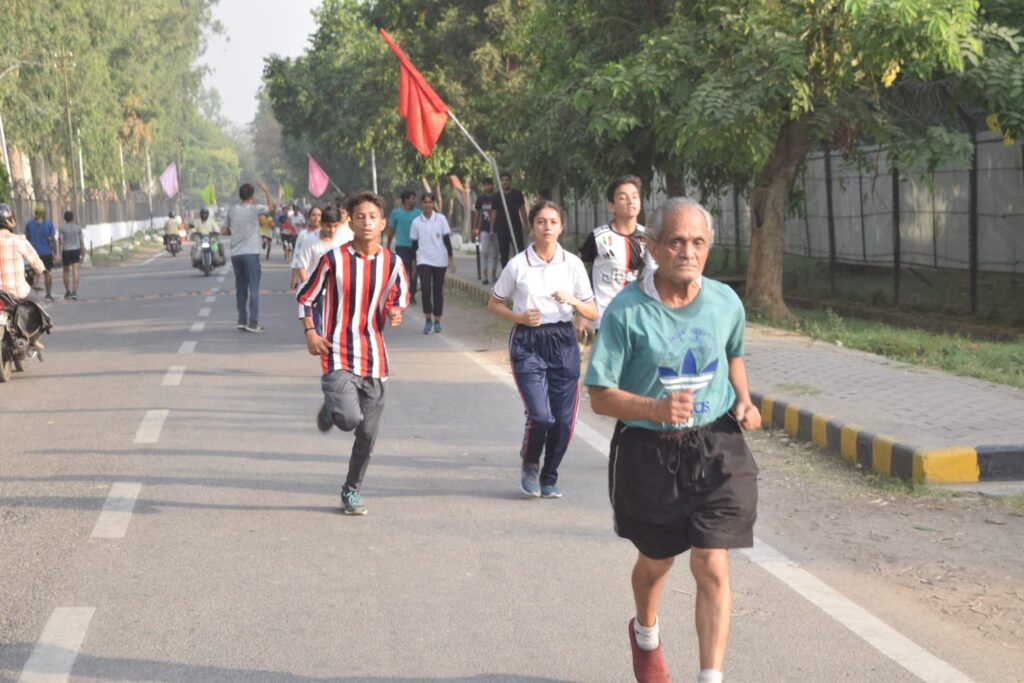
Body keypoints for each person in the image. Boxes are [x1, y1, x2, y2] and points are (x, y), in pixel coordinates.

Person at [583, 197, 761, 683]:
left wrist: (744, 400)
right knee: (655, 563)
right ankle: (645, 631)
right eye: (677, 242)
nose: (688, 252)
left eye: (698, 242)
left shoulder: (725, 301)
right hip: (648, 451)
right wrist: (655, 409)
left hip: (716, 444)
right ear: (653, 246)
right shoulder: (627, 312)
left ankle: (710, 676)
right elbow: (599, 396)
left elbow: (734, 354)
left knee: (712, 563)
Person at [296, 191, 410, 516]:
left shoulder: (392, 262)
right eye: (360, 217)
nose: (366, 223)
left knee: (368, 433)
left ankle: (351, 490)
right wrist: (310, 332)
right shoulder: (333, 260)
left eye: (373, 217)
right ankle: (335, 409)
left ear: (383, 223)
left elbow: (399, 295)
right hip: (338, 353)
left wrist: (395, 311)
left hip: (375, 358)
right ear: (351, 222)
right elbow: (305, 297)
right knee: (348, 419)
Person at [487, 200, 597, 498]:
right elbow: (494, 303)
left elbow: (591, 310)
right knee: (541, 416)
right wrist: (520, 317)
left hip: (562, 340)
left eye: (553, 222)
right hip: (528, 340)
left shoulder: (572, 264)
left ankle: (550, 474)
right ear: (532, 227)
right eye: (541, 221)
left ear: (561, 227)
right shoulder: (518, 264)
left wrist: (573, 303)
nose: (547, 227)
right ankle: (530, 462)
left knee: (562, 420)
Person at [575, 175, 652, 343]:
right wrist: (582, 311)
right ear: (611, 206)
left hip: (636, 316)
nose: (630, 201)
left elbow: (654, 273)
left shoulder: (647, 237)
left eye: (635, 196)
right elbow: (578, 271)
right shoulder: (598, 237)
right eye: (623, 197)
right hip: (604, 317)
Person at [222, 181, 274, 332]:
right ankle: (253, 322)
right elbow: (271, 208)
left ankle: (241, 319)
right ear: (252, 196)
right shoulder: (255, 208)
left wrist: (236, 232)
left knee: (241, 288)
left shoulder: (232, 210)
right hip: (251, 253)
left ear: (240, 196)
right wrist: (266, 191)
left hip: (236, 255)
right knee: (254, 288)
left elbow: (224, 230)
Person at [410, 193, 455, 334]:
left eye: (430, 202)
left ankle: (437, 320)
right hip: (423, 259)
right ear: (422, 204)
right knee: (425, 289)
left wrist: (450, 258)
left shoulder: (441, 219)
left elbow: (447, 240)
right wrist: (413, 264)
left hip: (440, 259)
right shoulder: (416, 222)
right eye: (425, 202)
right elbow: (414, 245)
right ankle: (428, 319)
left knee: (437, 290)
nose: (427, 205)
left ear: (433, 204)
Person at [0, 203, 45, 301]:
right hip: (19, 293)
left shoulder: (29, 226)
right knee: (35, 301)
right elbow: (38, 266)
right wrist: (38, 271)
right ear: (11, 220)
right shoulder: (19, 240)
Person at [385, 191, 421, 305]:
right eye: (413, 198)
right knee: (403, 269)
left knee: (414, 270)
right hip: (401, 246)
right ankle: (401, 292)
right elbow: (391, 229)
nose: (415, 201)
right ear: (406, 200)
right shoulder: (396, 213)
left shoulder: (418, 213)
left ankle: (412, 294)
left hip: (415, 246)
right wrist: (388, 245)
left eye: (415, 198)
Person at [492, 172, 528, 267]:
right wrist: (491, 229)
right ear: (500, 182)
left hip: (516, 227)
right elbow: (494, 213)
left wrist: (526, 225)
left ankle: (521, 270)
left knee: (520, 250)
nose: (505, 182)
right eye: (503, 180)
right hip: (502, 228)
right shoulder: (497, 196)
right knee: (504, 253)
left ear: (510, 182)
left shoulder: (517, 194)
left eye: (507, 180)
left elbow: (522, 210)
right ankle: (506, 272)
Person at [24, 203, 56, 302]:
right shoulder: (49, 224)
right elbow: (53, 240)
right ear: (44, 213)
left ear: (35, 213)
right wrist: (55, 252)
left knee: (34, 275)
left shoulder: (29, 224)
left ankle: (30, 295)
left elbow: (27, 239)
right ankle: (48, 295)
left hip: (33, 254)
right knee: (47, 273)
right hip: (47, 253)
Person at [473, 177, 499, 284]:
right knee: (485, 252)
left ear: (492, 185)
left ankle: (493, 275)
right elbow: (477, 213)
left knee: (495, 253)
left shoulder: (497, 198)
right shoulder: (480, 199)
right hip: (484, 228)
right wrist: (475, 227)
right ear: (483, 186)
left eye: (489, 184)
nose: (488, 187)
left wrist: (493, 229)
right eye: (485, 185)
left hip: (497, 229)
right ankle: (484, 276)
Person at [290, 205, 322, 290]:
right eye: (313, 215)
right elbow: (297, 255)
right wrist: (294, 277)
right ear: (309, 217)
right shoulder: (303, 235)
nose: (316, 218)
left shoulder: (326, 235)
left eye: (319, 215)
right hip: (305, 274)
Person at [58, 211, 85, 300]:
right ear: (73, 218)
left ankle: (68, 291)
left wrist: (60, 254)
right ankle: (74, 292)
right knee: (75, 271)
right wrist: (83, 253)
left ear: (65, 218)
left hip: (66, 250)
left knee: (66, 272)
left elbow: (61, 242)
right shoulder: (78, 228)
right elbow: (81, 242)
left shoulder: (62, 228)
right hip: (75, 250)